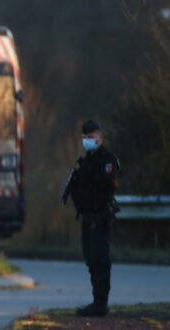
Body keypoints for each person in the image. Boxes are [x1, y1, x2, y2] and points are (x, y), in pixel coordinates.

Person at [62, 119, 121, 317]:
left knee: (99, 259)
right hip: (87, 216)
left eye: (92, 136)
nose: (89, 140)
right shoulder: (85, 161)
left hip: (100, 216)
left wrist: (87, 179)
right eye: (86, 137)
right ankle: (97, 301)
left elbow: (108, 184)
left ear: (100, 137)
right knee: (90, 259)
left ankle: (101, 303)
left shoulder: (107, 159)